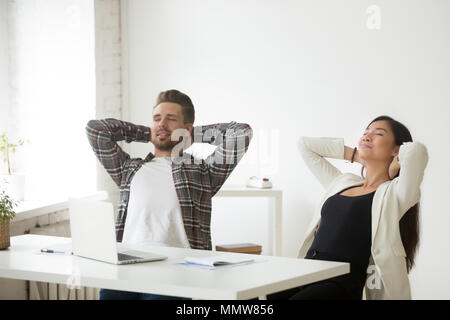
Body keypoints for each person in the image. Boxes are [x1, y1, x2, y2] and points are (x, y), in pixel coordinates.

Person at [85, 89, 253, 300]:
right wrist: (149, 132)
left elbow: (241, 133)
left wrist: (188, 134)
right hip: (123, 270)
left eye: (171, 119)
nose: (162, 124)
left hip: (175, 273)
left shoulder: (202, 173)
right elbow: (96, 130)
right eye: (157, 119)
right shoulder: (128, 169)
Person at [269, 115, 428, 300]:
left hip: (340, 283)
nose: (367, 136)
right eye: (365, 132)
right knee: (252, 301)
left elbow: (417, 151)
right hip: (307, 272)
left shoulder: (395, 194)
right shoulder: (342, 182)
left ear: (396, 150)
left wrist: (392, 168)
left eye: (378, 134)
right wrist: (357, 156)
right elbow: (305, 145)